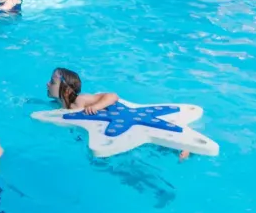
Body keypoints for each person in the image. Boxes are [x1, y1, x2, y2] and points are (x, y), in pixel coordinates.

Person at [47, 68, 188, 161]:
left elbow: (112, 96)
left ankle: (178, 148)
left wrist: (96, 106)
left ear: (66, 91)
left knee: (145, 142)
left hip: (116, 126)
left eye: (52, 82)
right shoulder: (57, 106)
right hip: (92, 136)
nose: (48, 84)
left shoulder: (80, 101)